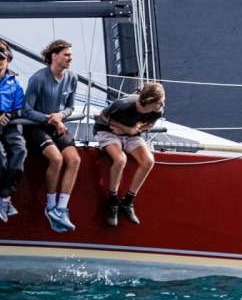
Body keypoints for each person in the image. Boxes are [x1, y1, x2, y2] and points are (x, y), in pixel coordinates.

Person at [21, 40, 80, 233]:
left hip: (58, 125)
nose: (70, 58)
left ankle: (61, 209)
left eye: (70, 55)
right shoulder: (37, 79)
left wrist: (61, 116)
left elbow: (71, 107)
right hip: (37, 127)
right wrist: (50, 119)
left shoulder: (72, 78)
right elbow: (26, 111)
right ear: (54, 56)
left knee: (74, 160)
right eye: (67, 54)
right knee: (56, 159)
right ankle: (50, 205)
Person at [94, 83, 165, 226]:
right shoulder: (124, 104)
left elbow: (149, 125)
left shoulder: (158, 111)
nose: (162, 104)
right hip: (108, 131)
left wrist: (135, 130)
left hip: (132, 134)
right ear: (150, 101)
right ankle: (112, 201)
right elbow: (101, 116)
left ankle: (128, 202)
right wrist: (125, 128)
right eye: (160, 101)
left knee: (148, 162)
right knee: (120, 160)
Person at [0, 42, 26, 224]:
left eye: (2, 58)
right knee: (0, 157)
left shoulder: (14, 81)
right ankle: (3, 200)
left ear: (8, 60)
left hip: (9, 124)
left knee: (20, 150)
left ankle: (4, 198)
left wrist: (7, 115)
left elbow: (20, 107)